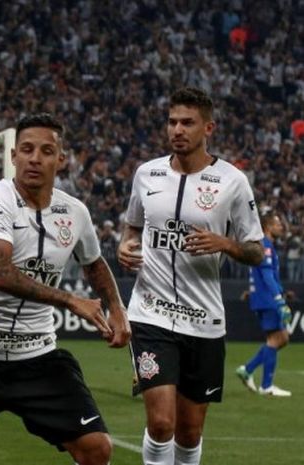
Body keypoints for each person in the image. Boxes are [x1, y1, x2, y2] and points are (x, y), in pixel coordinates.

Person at [0, 113, 131, 465]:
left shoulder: (75, 212)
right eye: (27, 149)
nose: (35, 158)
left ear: (61, 160)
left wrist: (118, 308)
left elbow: (94, 262)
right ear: (13, 156)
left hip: (37, 356)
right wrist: (70, 299)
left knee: (97, 449)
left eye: (46, 151)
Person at [117, 87, 264, 465]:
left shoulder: (232, 181)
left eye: (187, 122)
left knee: (189, 431)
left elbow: (255, 250)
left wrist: (224, 243)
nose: (177, 130)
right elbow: (132, 227)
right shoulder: (146, 173)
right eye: (172, 122)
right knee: (162, 422)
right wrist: (126, 245)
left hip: (203, 320)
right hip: (150, 313)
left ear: (208, 127)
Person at [236, 211, 292, 397]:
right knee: (277, 339)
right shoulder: (265, 246)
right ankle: (266, 385)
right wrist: (279, 300)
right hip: (268, 300)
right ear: (268, 226)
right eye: (277, 224)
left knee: (281, 338)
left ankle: (248, 370)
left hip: (263, 298)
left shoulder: (262, 246)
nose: (281, 227)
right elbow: (267, 275)